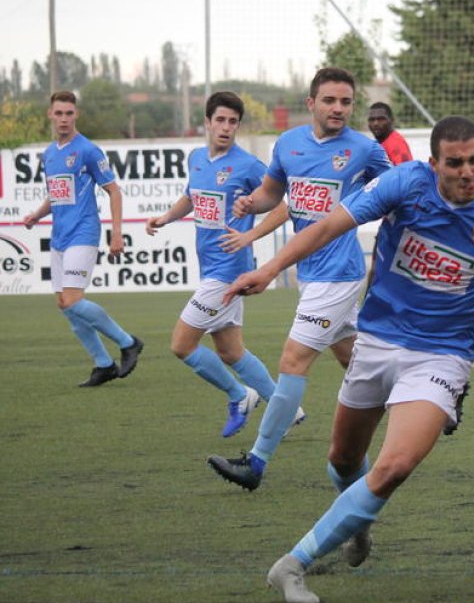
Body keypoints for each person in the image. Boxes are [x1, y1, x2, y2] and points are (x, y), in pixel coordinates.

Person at [225, 115, 474, 603]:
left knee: (393, 466)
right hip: (377, 339)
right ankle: (357, 521)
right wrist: (270, 269)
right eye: (454, 163)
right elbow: (329, 224)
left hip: (444, 354)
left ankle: (292, 565)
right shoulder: (404, 183)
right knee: (344, 459)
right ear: (433, 163)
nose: (467, 171)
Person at [206, 67, 391, 490]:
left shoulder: (364, 149)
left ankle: (255, 463)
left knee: (292, 361)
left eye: (346, 101)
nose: (339, 108)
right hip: (310, 273)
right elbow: (277, 193)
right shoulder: (288, 144)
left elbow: (399, 185)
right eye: (330, 100)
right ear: (311, 103)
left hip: (338, 275)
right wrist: (253, 203)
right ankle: (427, 401)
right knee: (356, 359)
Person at [145, 92, 287, 437]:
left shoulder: (249, 165)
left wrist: (250, 233)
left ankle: (240, 396)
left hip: (228, 271)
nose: (226, 127)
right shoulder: (196, 158)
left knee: (181, 344)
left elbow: (284, 202)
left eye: (233, 121)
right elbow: (191, 197)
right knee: (230, 350)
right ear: (207, 122)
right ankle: (286, 409)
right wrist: (165, 217)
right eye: (220, 120)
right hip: (210, 268)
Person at [23, 91, 143, 387]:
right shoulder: (50, 154)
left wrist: (117, 233)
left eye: (69, 113)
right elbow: (57, 193)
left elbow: (114, 190)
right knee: (64, 304)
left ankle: (128, 342)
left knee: (73, 300)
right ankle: (103, 364)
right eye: (59, 113)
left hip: (84, 232)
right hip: (59, 236)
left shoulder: (88, 150)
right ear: (50, 115)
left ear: (76, 115)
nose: (64, 118)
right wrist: (38, 215)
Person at [367, 100, 474, 340]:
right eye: (372, 118)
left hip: (405, 218)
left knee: (394, 269)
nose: (376, 123)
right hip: (396, 217)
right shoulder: (380, 144)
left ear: (391, 121)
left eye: (381, 118)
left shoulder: (393, 144)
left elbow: (399, 179)